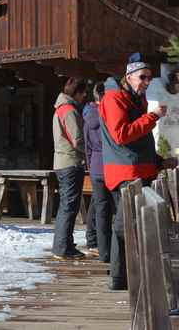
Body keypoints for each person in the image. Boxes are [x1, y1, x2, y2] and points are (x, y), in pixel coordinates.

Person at [100, 54, 176, 290]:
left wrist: (158, 162)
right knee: (124, 226)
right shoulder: (114, 98)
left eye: (149, 79)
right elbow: (121, 135)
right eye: (142, 77)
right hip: (125, 173)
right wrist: (152, 117)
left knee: (135, 224)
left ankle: (130, 274)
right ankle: (119, 277)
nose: (146, 82)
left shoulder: (134, 99)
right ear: (129, 76)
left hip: (137, 170)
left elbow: (139, 141)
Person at [51, 77, 88, 260]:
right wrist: (90, 151)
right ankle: (62, 248)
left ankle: (63, 244)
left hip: (62, 161)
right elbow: (77, 140)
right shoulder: (69, 111)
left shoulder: (60, 108)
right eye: (83, 93)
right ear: (77, 93)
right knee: (69, 206)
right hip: (71, 162)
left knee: (66, 205)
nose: (84, 97)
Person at [83, 82, 111, 262]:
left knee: (99, 207)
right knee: (111, 208)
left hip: (95, 166)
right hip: (109, 164)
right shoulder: (107, 114)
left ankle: (100, 247)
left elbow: (86, 145)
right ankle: (109, 248)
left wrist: (90, 165)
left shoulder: (87, 116)